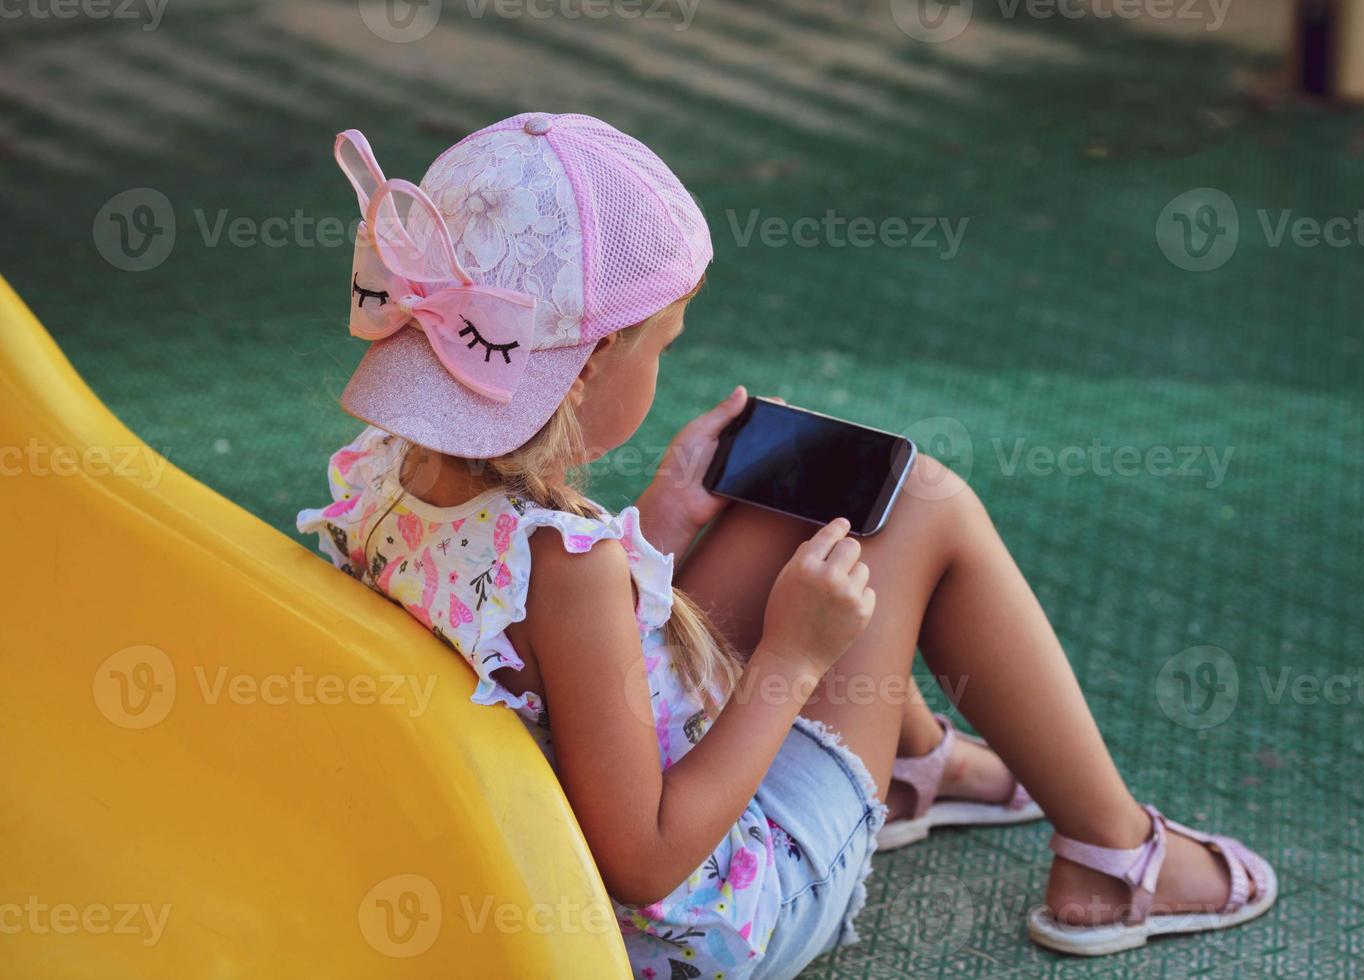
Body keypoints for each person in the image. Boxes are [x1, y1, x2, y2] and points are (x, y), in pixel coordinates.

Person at [299, 113, 1275, 978]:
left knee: (797, 510)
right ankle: (1115, 851)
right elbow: (645, 857)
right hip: (701, 924)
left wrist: (664, 518)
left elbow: (538, 661)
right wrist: (794, 657)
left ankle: (922, 759)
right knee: (923, 503)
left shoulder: (379, 475)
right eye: (664, 341)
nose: (668, 357)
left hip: (540, 850)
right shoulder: (574, 569)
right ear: (596, 357)